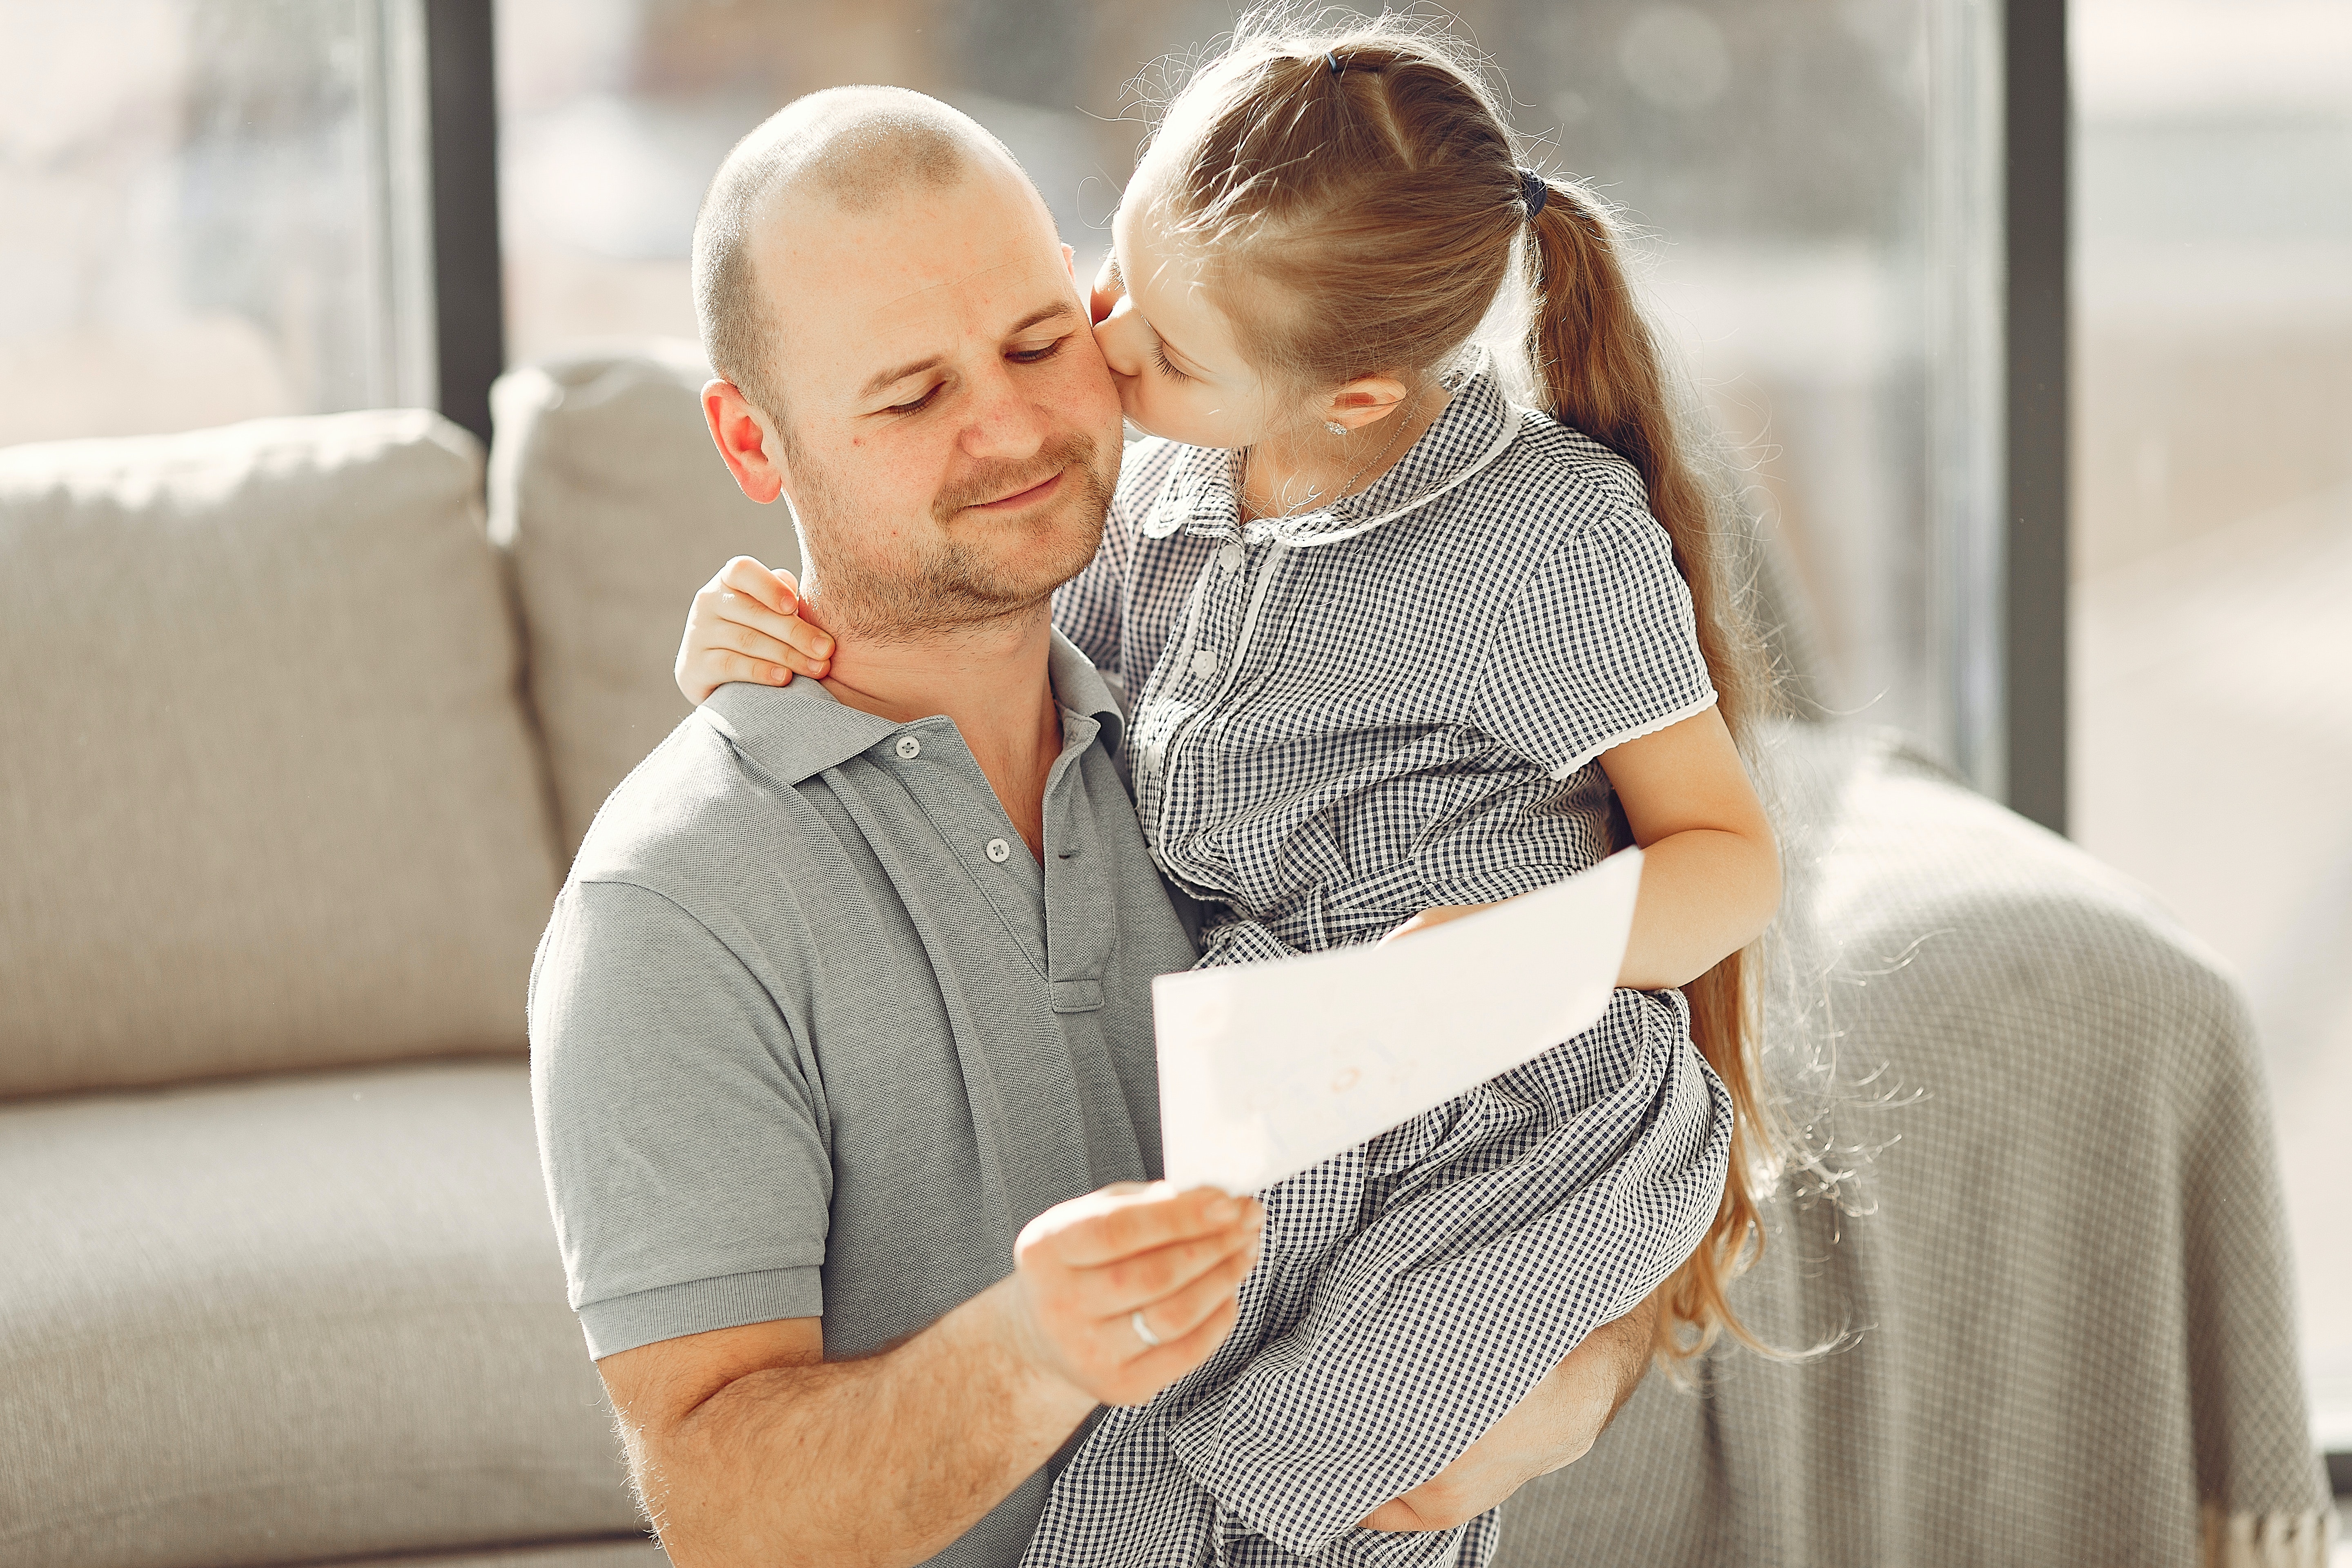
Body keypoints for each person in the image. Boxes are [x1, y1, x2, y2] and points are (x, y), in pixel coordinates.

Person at [668, 14, 1782, 1568]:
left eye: (1173, 353)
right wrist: (766, 638)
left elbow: (1731, 859)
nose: (1109, 352)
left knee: (1329, 1484)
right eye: (1117, 277)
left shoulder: (1545, 541)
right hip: (1290, 1068)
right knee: (1157, 1447)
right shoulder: (1172, 489)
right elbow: (993, 654)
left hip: (1505, 1089)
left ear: (1357, 397)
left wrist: (1493, 960)